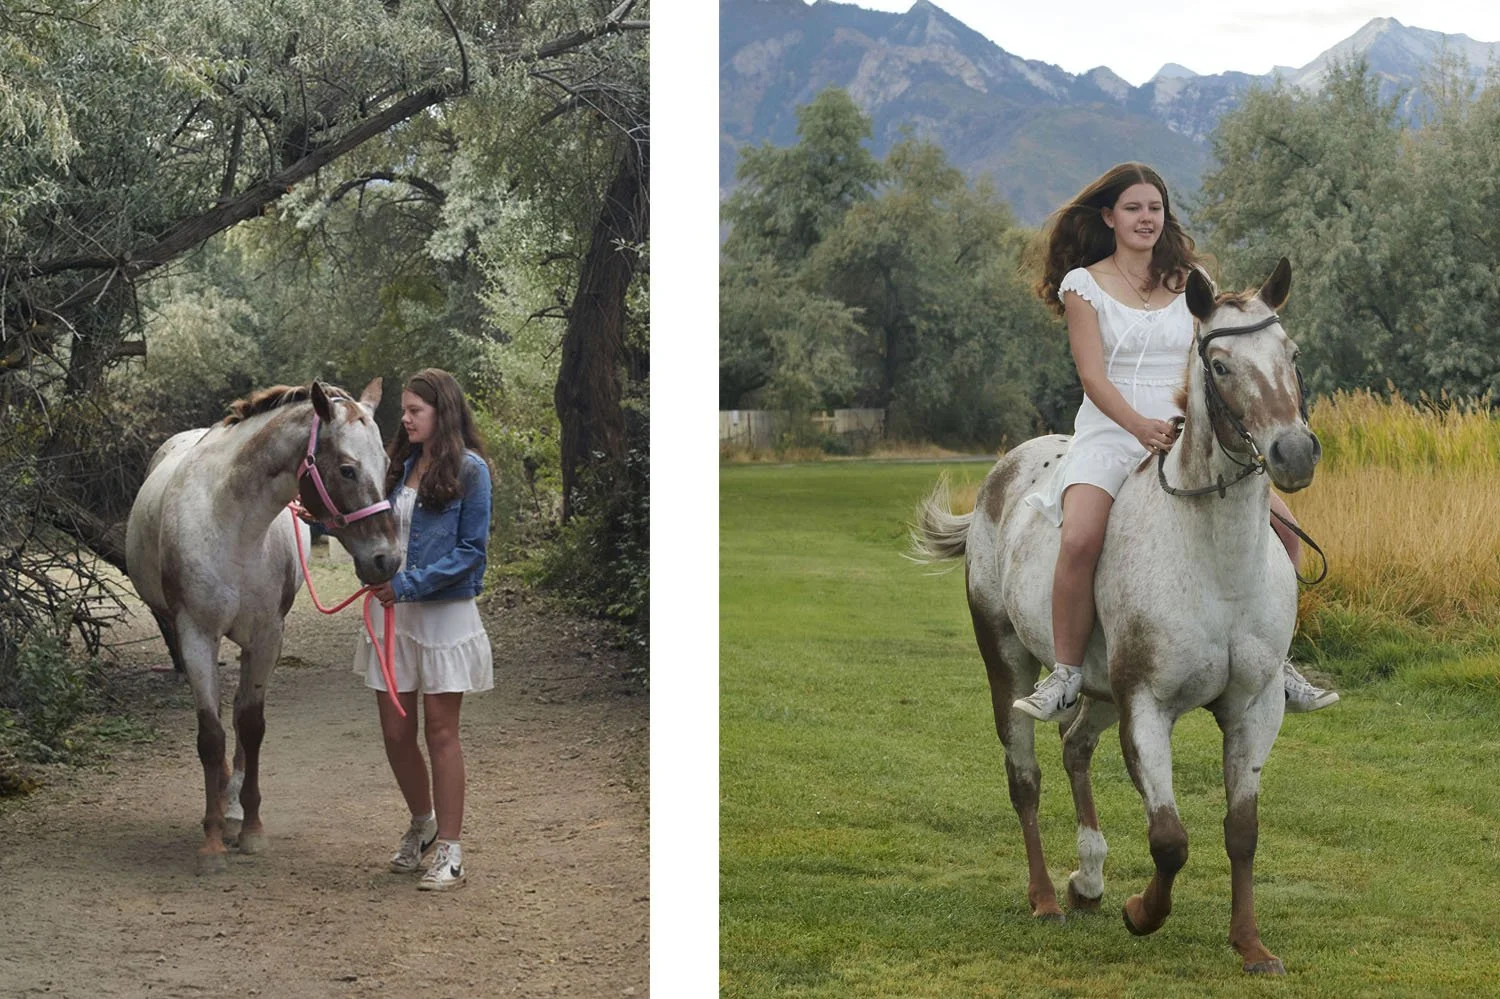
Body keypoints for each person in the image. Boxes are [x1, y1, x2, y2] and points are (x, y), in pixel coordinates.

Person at [1011, 162, 1338, 722]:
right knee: (1081, 538)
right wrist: (1139, 426)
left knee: (1286, 531)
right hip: (1112, 431)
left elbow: (1222, 353)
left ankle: (1276, 664)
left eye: (1155, 208)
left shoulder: (1190, 282)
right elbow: (1092, 377)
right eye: (1133, 208)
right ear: (1109, 217)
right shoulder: (1083, 284)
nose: (1146, 218)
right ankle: (1065, 674)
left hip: (1188, 432)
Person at [355, 368, 495, 890]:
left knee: (440, 732)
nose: (407, 419)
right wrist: (317, 518)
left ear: (443, 412)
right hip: (391, 614)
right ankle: (423, 822)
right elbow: (368, 522)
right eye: (405, 410)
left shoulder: (471, 471)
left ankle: (451, 853)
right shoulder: (397, 466)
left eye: (416, 410)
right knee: (395, 734)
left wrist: (408, 585)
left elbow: (471, 551)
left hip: (441, 615)